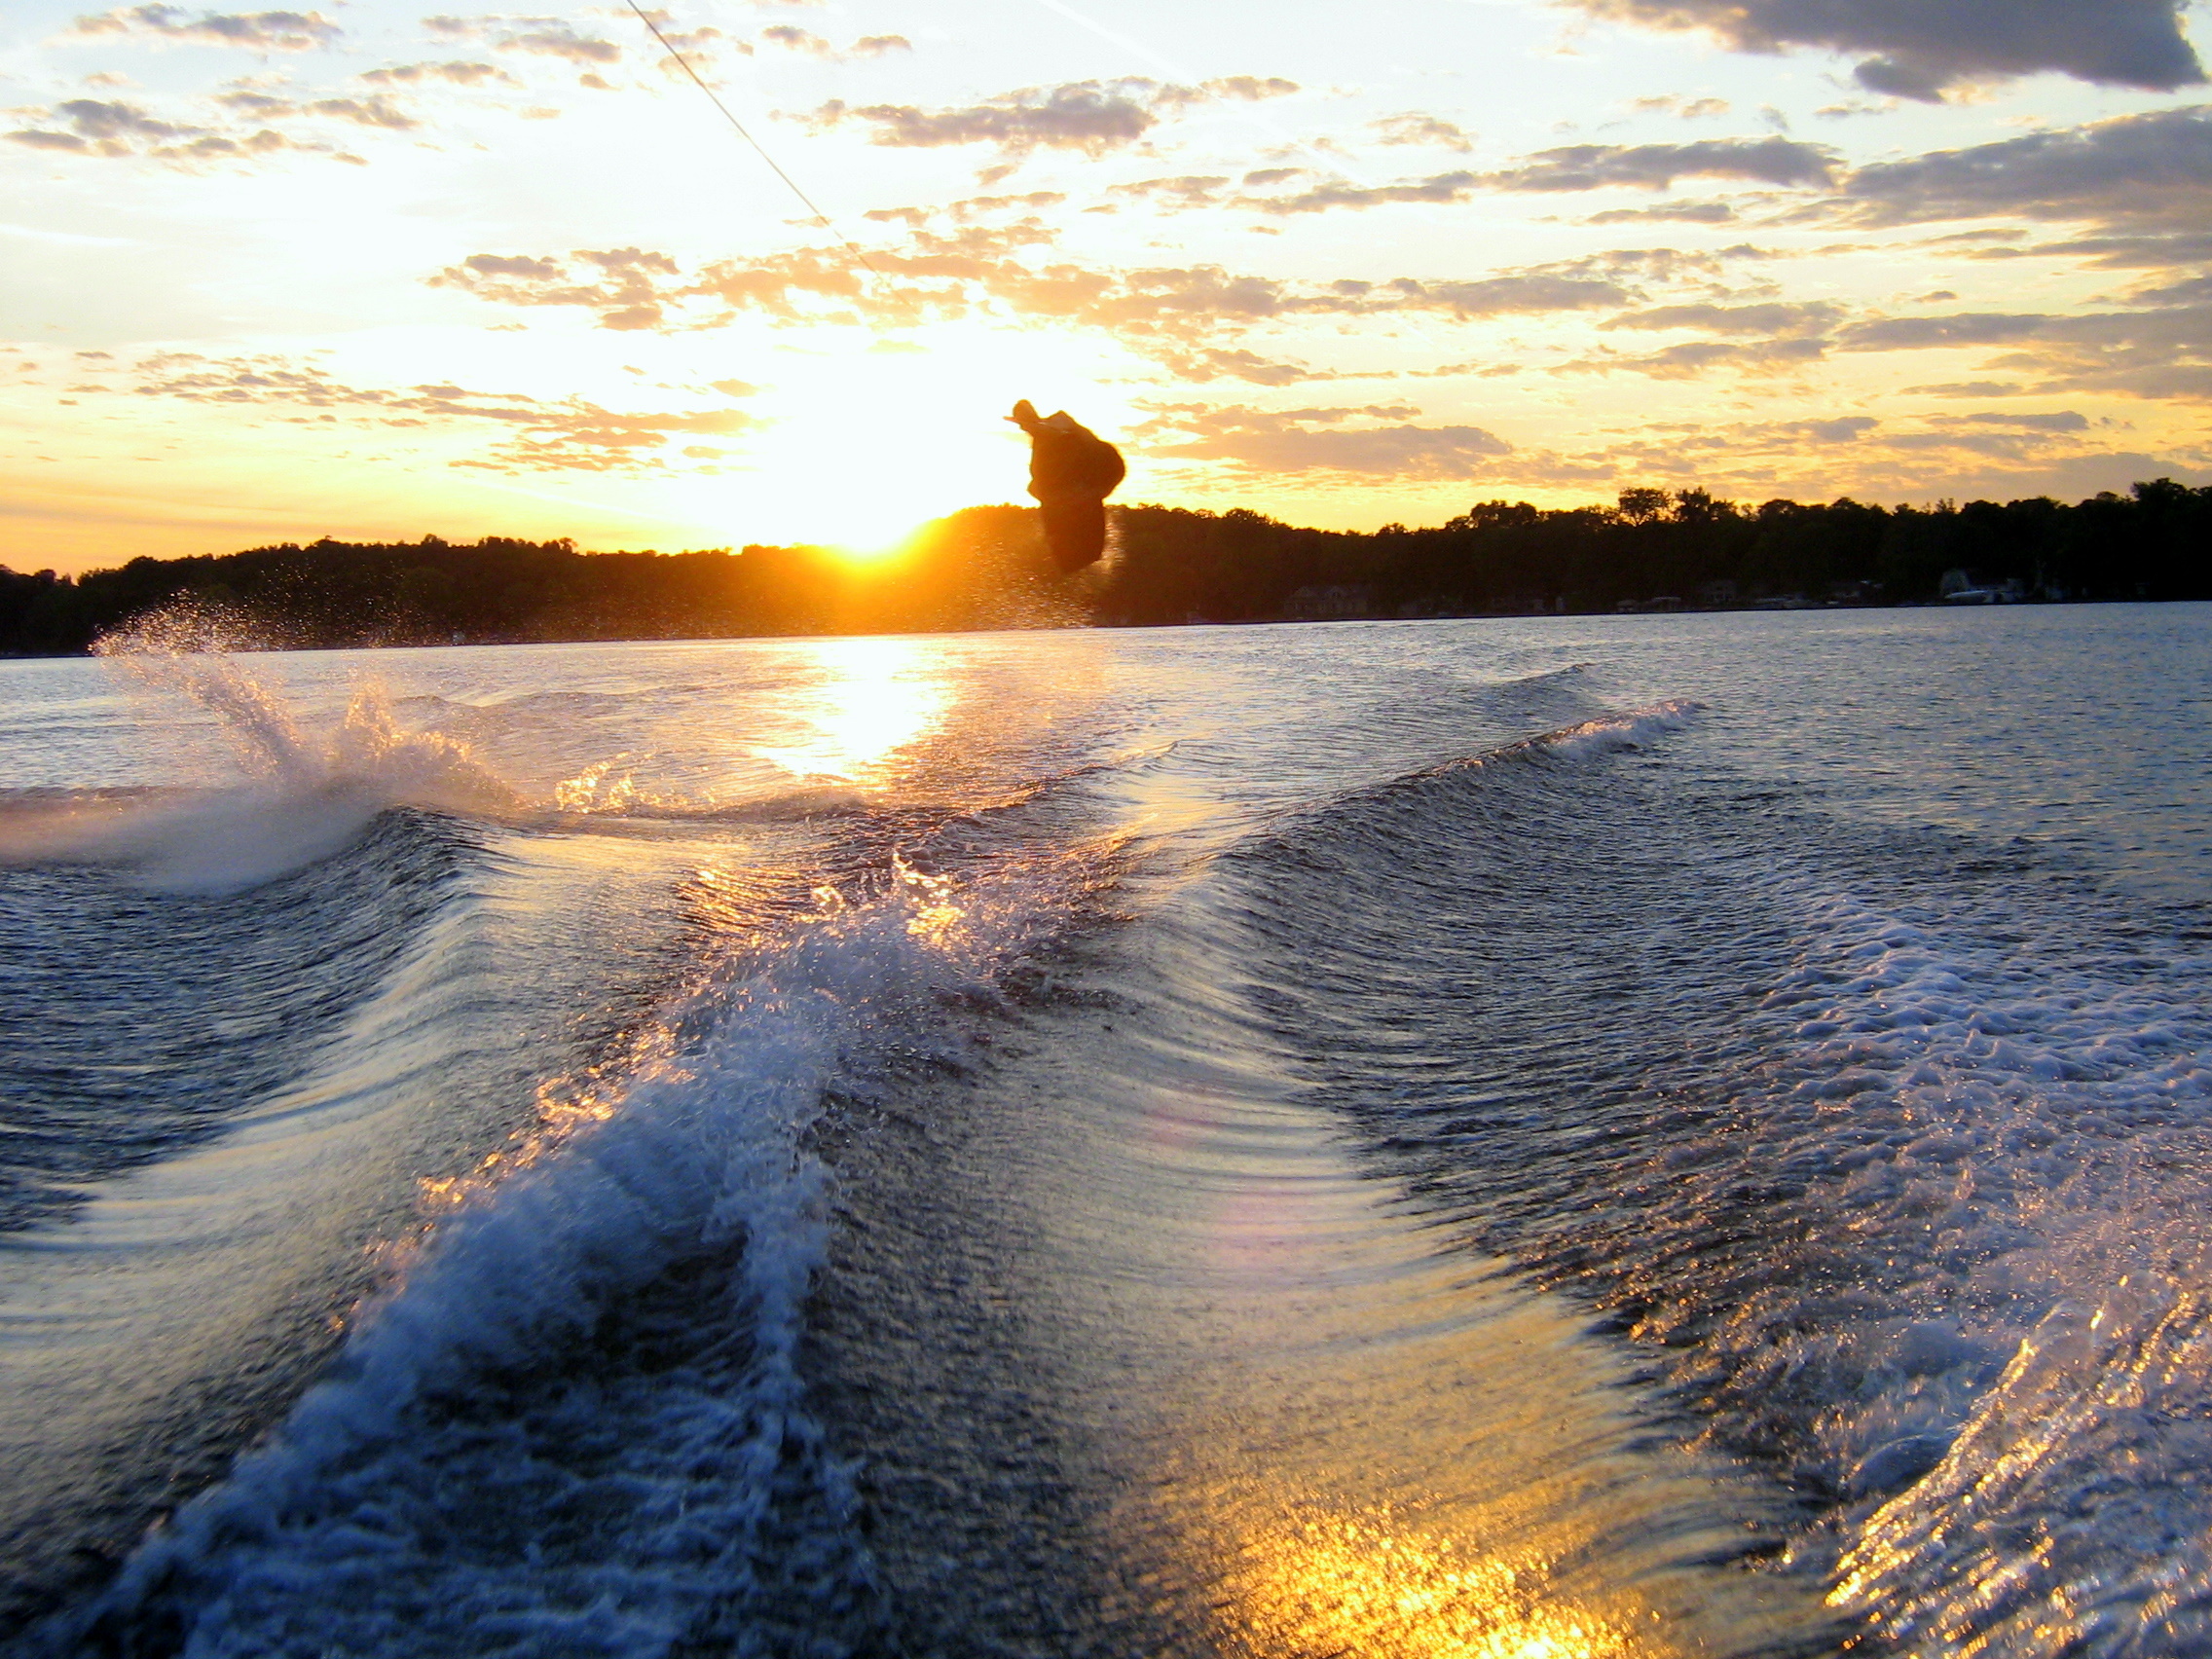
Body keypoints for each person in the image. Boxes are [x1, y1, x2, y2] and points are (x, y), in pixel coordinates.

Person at [1006, 400, 1126, 573]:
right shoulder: (1054, 444)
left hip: (1077, 497)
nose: (1023, 430)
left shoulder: (1064, 440)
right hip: (1072, 498)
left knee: (1075, 556)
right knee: (1071, 557)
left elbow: (1108, 465)